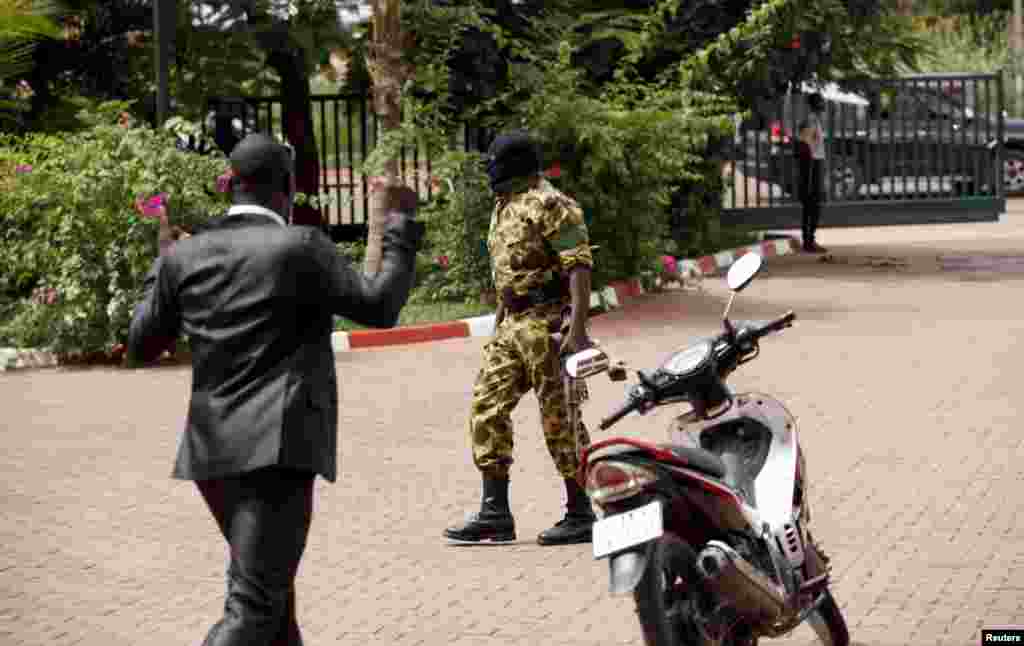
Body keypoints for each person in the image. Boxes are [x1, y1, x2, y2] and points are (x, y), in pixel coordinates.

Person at [126, 132, 424, 645]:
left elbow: (141, 345)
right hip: (279, 449)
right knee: (255, 608)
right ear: (285, 188)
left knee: (272, 602)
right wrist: (400, 231)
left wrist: (163, 265)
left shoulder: (187, 255)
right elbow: (378, 307)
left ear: (232, 187)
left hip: (212, 454)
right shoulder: (300, 246)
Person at [443, 130, 597, 546]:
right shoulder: (504, 206)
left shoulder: (553, 205)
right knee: (486, 408)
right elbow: (506, 274)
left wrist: (578, 329)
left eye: (495, 162)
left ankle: (581, 511)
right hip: (512, 324)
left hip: (549, 326)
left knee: (559, 419)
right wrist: (499, 321)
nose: (490, 170)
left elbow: (578, 267)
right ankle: (495, 513)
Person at [797, 92, 828, 253]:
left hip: (815, 163)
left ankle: (809, 239)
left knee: (813, 203)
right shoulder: (811, 121)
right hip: (812, 164)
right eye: (820, 103)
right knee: (812, 203)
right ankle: (808, 241)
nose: (822, 106)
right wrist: (809, 169)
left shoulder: (814, 120)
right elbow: (806, 144)